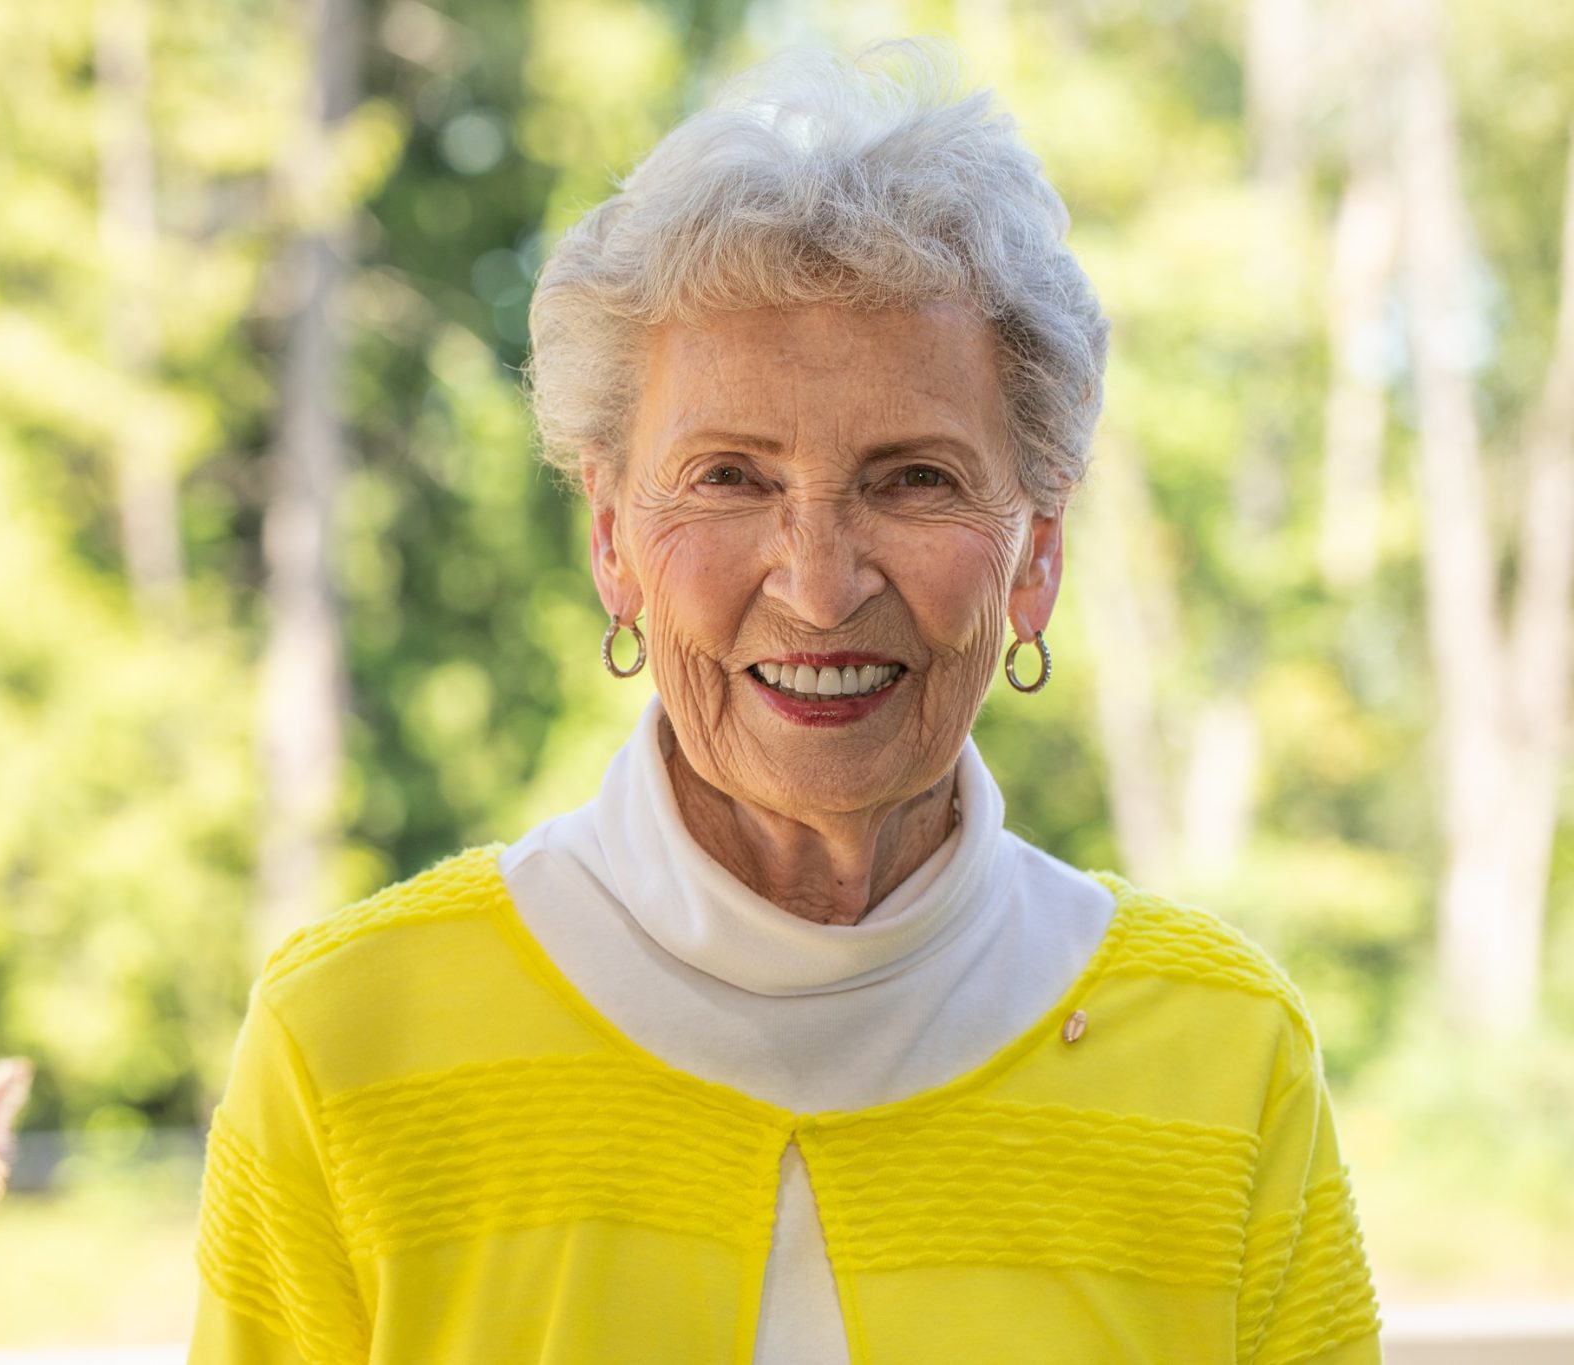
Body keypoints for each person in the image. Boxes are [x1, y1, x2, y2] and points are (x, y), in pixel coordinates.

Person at [188, 42, 1382, 1365]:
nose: (817, 588)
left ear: (1035, 553)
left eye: (914, 478)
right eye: (730, 478)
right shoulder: (350, 1042)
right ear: (611, 541)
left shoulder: (1223, 1059)